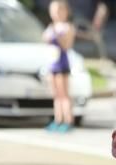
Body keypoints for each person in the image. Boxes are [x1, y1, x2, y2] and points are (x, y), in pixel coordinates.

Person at [43, 1, 76, 132]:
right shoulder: (51, 27)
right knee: (56, 94)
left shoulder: (68, 27)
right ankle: (58, 119)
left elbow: (66, 45)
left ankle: (68, 120)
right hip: (53, 63)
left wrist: (57, 35)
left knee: (64, 94)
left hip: (62, 63)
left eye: (58, 11)